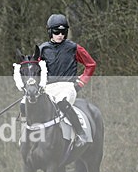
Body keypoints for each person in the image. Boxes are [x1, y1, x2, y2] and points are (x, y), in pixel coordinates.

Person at [38, 13, 96, 146]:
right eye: (56, 32)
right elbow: (36, 70)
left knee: (61, 103)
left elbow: (91, 65)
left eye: (63, 32)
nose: (60, 35)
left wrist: (81, 82)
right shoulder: (42, 49)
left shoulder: (74, 48)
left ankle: (81, 133)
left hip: (67, 87)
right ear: (50, 32)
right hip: (48, 88)